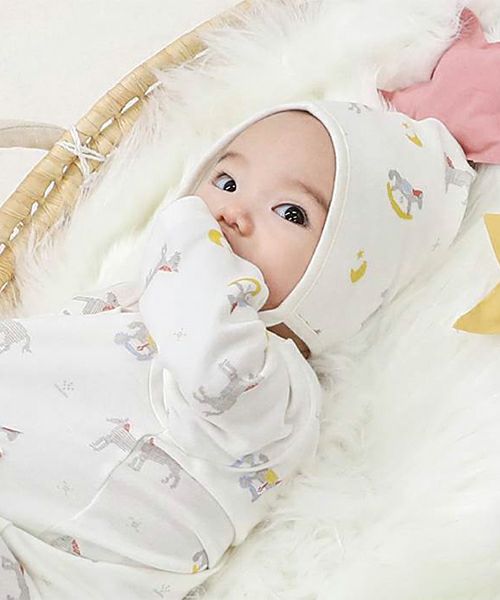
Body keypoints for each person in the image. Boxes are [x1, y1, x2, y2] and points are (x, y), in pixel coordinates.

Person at [0, 37, 479, 596]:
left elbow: (212, 368)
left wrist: (186, 231)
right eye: (226, 182)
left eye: (291, 212)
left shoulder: (275, 388)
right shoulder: (140, 297)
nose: (231, 211)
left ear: (341, 283)